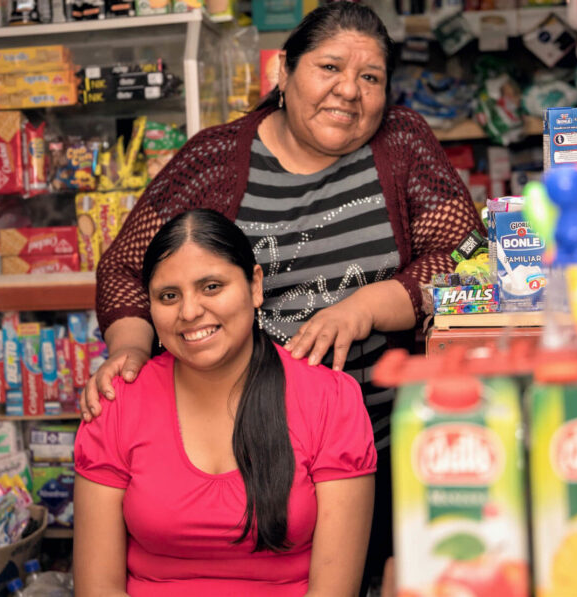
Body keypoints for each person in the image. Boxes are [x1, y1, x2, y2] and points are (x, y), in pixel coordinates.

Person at [81, 1, 484, 588]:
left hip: (388, 435)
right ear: (283, 72)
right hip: (253, 444)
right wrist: (132, 352)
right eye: (329, 68)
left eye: (370, 77)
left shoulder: (401, 143)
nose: (349, 90)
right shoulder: (217, 157)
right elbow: (126, 268)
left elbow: (468, 259)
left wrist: (367, 307)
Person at [73, 209, 376, 595]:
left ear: (254, 286)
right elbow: (97, 588)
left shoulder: (330, 399)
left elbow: (333, 591)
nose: (189, 312)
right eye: (169, 296)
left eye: (211, 286)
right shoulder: (116, 402)